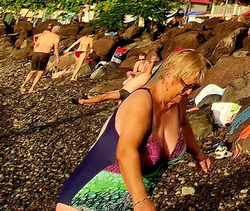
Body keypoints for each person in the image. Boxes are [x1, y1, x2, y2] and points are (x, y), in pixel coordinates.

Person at [56, 49, 211, 211]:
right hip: (86, 199)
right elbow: (126, 152)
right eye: (187, 86)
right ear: (169, 74)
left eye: (195, 87)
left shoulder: (179, 101)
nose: (189, 92)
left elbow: (183, 125)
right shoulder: (141, 102)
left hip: (126, 203)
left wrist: (198, 153)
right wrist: (140, 200)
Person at [75, 51, 160, 106]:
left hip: (126, 92)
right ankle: (89, 97)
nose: (144, 64)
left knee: (104, 97)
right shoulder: (142, 73)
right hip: (124, 90)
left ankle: (83, 101)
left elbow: (149, 68)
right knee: (106, 95)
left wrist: (152, 62)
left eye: (146, 63)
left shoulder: (147, 74)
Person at [21, 22, 62, 94]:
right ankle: (32, 88)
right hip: (45, 54)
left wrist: (35, 50)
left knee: (33, 70)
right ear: (58, 31)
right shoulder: (56, 37)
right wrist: (57, 58)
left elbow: (36, 43)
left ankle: (23, 85)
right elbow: (56, 48)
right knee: (40, 71)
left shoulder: (44, 34)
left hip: (36, 53)